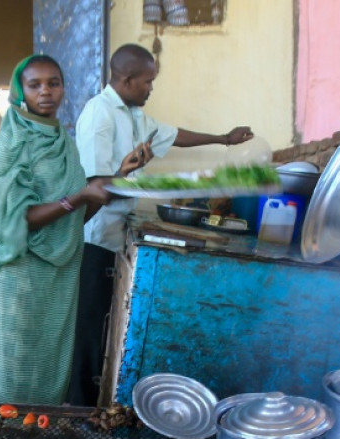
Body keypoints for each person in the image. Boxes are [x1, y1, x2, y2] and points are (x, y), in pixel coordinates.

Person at [70, 43, 256, 405]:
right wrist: (132, 175)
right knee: (88, 327)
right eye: (147, 81)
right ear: (126, 80)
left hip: (116, 234)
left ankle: (96, 399)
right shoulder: (100, 114)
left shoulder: (135, 113)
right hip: (95, 236)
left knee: (107, 325)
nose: (151, 88)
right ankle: (78, 406)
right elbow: (97, 185)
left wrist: (223, 138)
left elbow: (173, 135)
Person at [0, 55, 146, 405]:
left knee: (47, 375)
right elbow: (17, 220)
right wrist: (80, 194)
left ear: (63, 88)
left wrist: (117, 176)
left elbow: (74, 217)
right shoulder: (10, 144)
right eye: (35, 85)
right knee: (8, 380)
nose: (46, 92)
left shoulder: (62, 142)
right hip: (16, 277)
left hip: (54, 281)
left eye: (53, 82)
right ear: (20, 91)